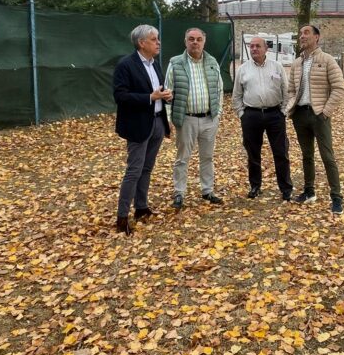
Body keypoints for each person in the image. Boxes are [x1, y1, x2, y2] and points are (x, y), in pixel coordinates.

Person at [113, 24, 172, 235]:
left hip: (156, 122)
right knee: (134, 170)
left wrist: (164, 96)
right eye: (154, 39)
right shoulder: (126, 65)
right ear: (142, 43)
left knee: (147, 169)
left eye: (157, 39)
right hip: (138, 125)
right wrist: (150, 97)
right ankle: (121, 217)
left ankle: (141, 207)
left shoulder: (155, 64)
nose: (158, 43)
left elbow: (157, 90)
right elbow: (120, 96)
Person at [286, 25, 344, 214]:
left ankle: (336, 197)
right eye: (301, 34)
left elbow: (339, 88)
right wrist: (291, 108)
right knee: (307, 155)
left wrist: (325, 112)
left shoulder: (327, 60)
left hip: (319, 115)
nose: (302, 37)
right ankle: (309, 191)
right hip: (300, 115)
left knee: (327, 156)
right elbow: (291, 90)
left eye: (307, 33)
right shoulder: (297, 63)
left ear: (317, 37)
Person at [165, 28, 224, 209]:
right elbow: (168, 91)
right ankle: (179, 193)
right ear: (185, 41)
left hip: (209, 119)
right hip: (186, 119)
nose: (195, 42)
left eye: (199, 39)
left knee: (207, 157)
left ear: (204, 42)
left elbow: (219, 89)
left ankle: (207, 191)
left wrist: (218, 114)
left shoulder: (212, 62)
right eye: (191, 39)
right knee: (182, 158)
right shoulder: (175, 63)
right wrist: (168, 118)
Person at [232, 37, 294, 201]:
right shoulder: (243, 69)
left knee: (281, 152)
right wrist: (242, 114)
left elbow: (286, 92)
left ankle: (286, 188)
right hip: (251, 115)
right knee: (253, 153)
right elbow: (236, 95)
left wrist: (283, 112)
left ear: (266, 48)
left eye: (257, 46)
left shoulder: (277, 67)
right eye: (251, 46)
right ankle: (255, 186)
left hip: (275, 115)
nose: (254, 49)